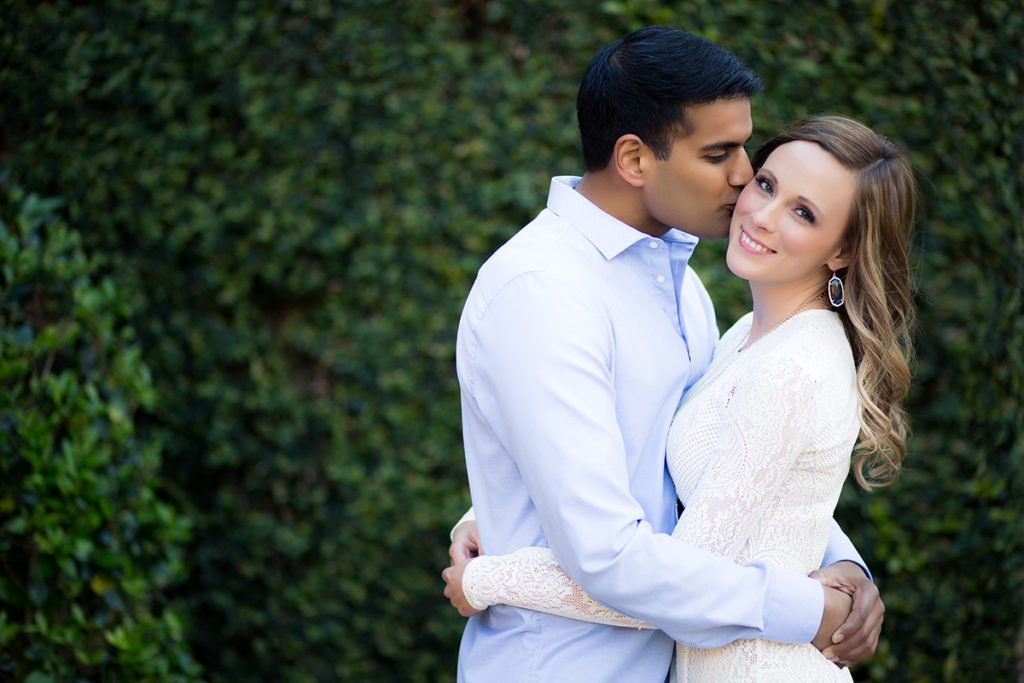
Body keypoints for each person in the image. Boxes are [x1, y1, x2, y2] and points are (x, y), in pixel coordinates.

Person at [443, 26, 884, 683]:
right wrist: (809, 606)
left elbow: (709, 467)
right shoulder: (542, 292)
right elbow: (606, 556)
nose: (744, 177)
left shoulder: (686, 284)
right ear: (634, 159)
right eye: (720, 153)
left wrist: (841, 561)